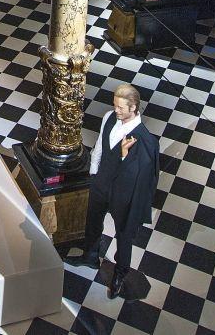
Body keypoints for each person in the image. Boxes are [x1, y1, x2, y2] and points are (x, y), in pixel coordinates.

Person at [69, 84, 160, 300]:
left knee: (123, 235)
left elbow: (141, 177)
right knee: (93, 220)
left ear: (134, 107)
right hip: (101, 182)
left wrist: (123, 156)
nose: (116, 110)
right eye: (115, 105)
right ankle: (90, 256)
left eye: (121, 107)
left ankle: (120, 274)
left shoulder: (145, 140)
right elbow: (100, 145)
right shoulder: (109, 117)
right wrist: (93, 173)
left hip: (124, 195)